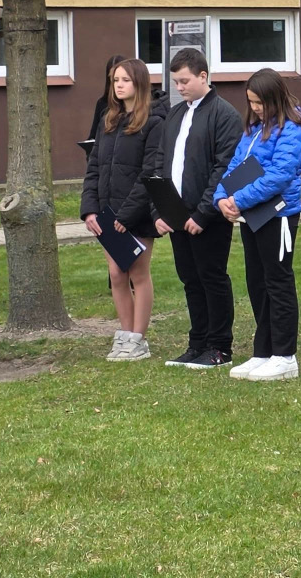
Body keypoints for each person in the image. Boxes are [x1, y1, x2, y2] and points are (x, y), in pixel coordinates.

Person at [215, 69, 301, 381]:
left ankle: (285, 356)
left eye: (260, 102)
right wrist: (221, 197)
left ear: (275, 98)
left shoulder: (294, 127)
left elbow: (280, 175)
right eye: (251, 102)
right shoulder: (254, 127)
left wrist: (238, 200)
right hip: (252, 214)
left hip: (278, 215)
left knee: (278, 283)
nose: (255, 108)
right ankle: (264, 351)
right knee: (257, 282)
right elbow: (236, 165)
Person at [153, 48, 243, 369]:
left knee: (211, 278)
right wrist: (160, 211)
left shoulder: (224, 115)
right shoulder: (175, 114)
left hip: (209, 216)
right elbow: (162, 162)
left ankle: (220, 347)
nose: (179, 88)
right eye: (175, 82)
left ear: (203, 76)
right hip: (177, 215)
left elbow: (224, 168)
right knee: (190, 279)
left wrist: (203, 212)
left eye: (185, 81)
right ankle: (198, 343)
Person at [80, 58, 167, 361]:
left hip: (137, 214)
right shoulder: (108, 119)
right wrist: (90, 210)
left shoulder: (154, 122)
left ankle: (139, 339)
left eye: (125, 80)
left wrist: (127, 215)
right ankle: (125, 335)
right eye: (115, 80)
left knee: (137, 273)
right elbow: (94, 166)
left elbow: (150, 172)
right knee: (117, 274)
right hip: (107, 214)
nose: (118, 85)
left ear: (139, 83)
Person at [85, 54, 125, 158]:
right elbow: (94, 136)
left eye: (124, 79)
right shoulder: (103, 103)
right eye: (114, 78)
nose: (118, 84)